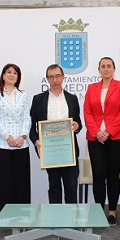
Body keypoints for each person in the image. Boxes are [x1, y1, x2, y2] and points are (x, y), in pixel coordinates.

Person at [84, 57, 120, 226]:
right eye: (102, 66)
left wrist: (109, 131)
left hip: (117, 138)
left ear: (114, 68)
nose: (106, 69)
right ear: (99, 70)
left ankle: (112, 212)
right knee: (98, 175)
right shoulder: (91, 88)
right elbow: (87, 111)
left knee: (112, 174)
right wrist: (96, 132)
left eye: (108, 66)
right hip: (95, 138)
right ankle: (97, 211)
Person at [29, 64, 82, 203]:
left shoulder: (72, 99)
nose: (55, 80)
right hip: (49, 151)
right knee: (54, 187)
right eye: (51, 77)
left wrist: (76, 126)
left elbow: (78, 123)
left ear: (63, 77)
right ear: (47, 79)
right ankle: (55, 220)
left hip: (69, 151)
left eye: (58, 76)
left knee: (71, 187)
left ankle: (72, 220)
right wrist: (36, 141)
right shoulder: (38, 99)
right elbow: (31, 127)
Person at [0, 63, 31, 215]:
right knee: (3, 183)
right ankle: (4, 217)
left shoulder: (23, 95)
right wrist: (7, 136)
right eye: (9, 72)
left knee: (21, 182)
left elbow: (27, 117)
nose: (12, 75)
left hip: (21, 144)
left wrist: (22, 135)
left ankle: (22, 215)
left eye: (15, 73)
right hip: (1, 144)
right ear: (3, 75)